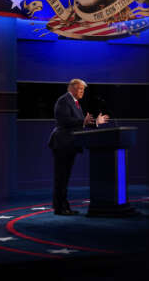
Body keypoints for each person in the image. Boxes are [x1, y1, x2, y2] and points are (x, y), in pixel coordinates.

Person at [48, 79, 109, 215]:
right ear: (73, 89)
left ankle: (64, 206)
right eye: (81, 89)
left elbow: (80, 123)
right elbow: (64, 120)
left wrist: (95, 122)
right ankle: (60, 208)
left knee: (65, 177)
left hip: (70, 144)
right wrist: (83, 121)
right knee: (61, 177)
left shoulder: (75, 103)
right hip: (62, 143)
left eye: (83, 90)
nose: (82, 92)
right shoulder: (64, 100)